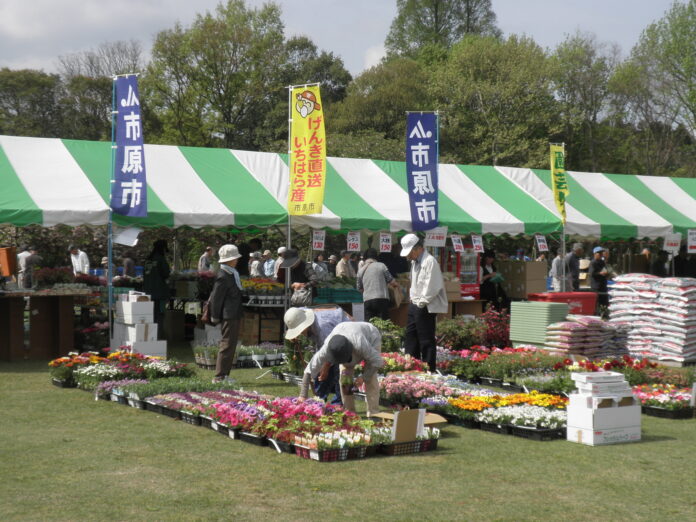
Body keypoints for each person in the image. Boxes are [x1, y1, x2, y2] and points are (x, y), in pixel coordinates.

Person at [299, 321, 384, 418]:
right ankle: (350, 413)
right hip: (347, 333)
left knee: (371, 380)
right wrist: (303, 395)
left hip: (371, 337)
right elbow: (309, 369)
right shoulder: (328, 346)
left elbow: (378, 362)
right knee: (345, 379)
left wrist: (364, 377)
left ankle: (374, 413)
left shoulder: (360, 343)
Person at [284, 306, 351, 405]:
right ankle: (319, 400)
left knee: (339, 372)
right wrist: (295, 333)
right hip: (329, 341)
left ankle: (338, 405)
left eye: (300, 330)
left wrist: (326, 366)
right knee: (320, 372)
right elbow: (298, 311)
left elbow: (331, 350)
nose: (300, 333)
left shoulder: (323, 327)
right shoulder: (302, 313)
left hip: (345, 338)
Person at [400, 233, 447, 372]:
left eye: (410, 252)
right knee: (411, 338)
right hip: (415, 303)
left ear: (418, 248)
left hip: (425, 305)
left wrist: (421, 302)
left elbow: (432, 285)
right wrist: (413, 300)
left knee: (426, 339)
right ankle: (412, 368)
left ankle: (428, 370)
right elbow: (414, 284)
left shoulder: (430, 261)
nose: (409, 256)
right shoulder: (415, 262)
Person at [209, 244, 244, 383]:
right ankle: (220, 376)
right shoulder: (223, 275)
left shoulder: (231, 273)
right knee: (227, 344)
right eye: (235, 258)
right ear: (229, 260)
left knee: (230, 344)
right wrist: (215, 316)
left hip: (233, 313)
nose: (236, 260)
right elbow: (216, 298)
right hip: (228, 314)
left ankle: (224, 375)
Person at [357, 248, 399, 322]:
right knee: (384, 324)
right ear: (376, 256)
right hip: (381, 299)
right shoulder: (381, 266)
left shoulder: (361, 270)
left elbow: (359, 288)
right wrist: (397, 285)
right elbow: (391, 281)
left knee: (369, 325)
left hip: (367, 301)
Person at [143, 239, 170, 336]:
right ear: (162, 249)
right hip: (158, 292)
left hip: (147, 292)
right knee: (159, 314)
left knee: (149, 315)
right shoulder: (160, 259)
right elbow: (166, 273)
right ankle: (157, 335)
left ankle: (149, 334)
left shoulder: (147, 259)